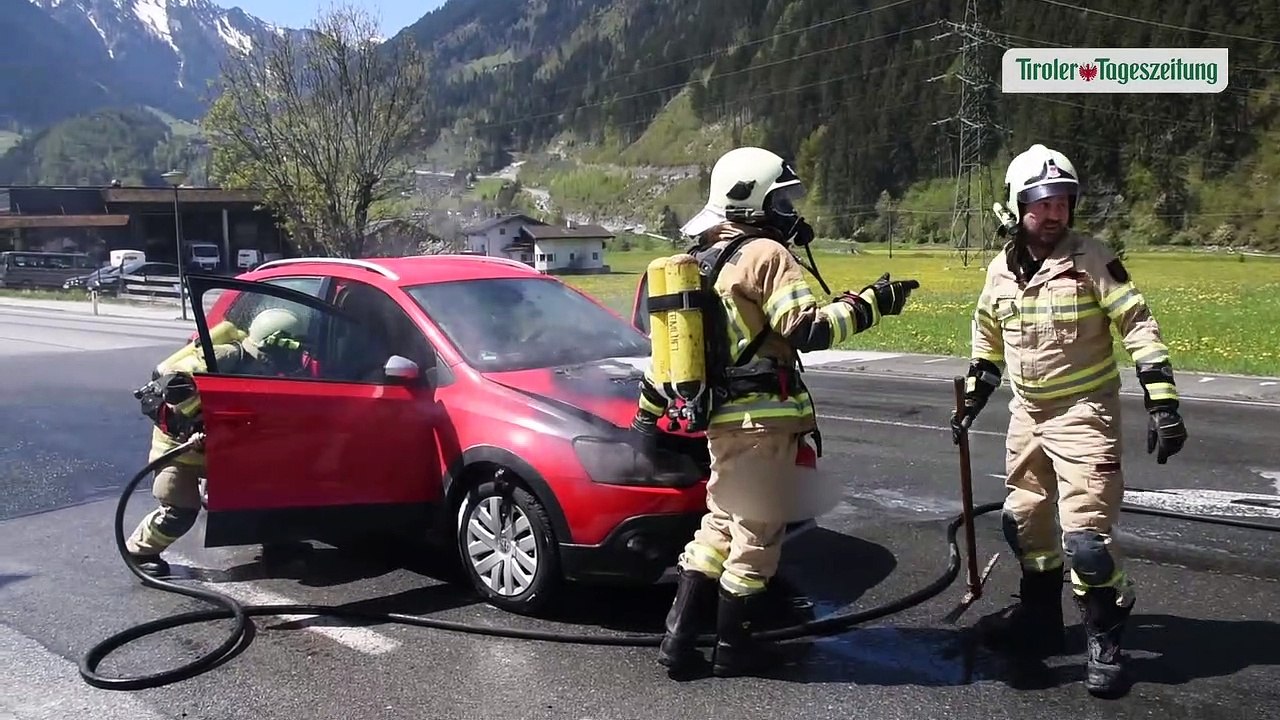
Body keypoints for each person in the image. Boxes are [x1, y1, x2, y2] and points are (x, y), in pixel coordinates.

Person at [634, 146, 921, 678]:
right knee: (757, 536)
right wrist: (872, 304)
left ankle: (679, 638)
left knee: (721, 523)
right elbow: (805, 329)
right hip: (764, 422)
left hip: (724, 422)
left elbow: (667, 359)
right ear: (751, 202)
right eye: (781, 201)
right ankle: (735, 647)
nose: (790, 213)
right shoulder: (765, 254)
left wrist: (646, 418)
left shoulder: (704, 262)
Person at [952, 143, 1188, 698]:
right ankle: (1040, 620)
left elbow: (1138, 326)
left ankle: (1105, 640)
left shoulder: (1092, 259)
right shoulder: (1000, 271)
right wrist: (972, 400)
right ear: (1017, 207)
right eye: (1043, 202)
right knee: (1025, 524)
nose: (1055, 212)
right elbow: (987, 345)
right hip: (1026, 415)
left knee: (1086, 541)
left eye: (1063, 202)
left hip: (1085, 414)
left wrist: (1162, 401)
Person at [126, 307, 309, 577]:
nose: (297, 356)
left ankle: (278, 545)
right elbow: (156, 398)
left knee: (265, 495)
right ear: (276, 343)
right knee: (179, 511)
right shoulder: (221, 358)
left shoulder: (269, 367)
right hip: (180, 453)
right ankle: (140, 552)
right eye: (294, 348)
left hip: (225, 451)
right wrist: (188, 427)